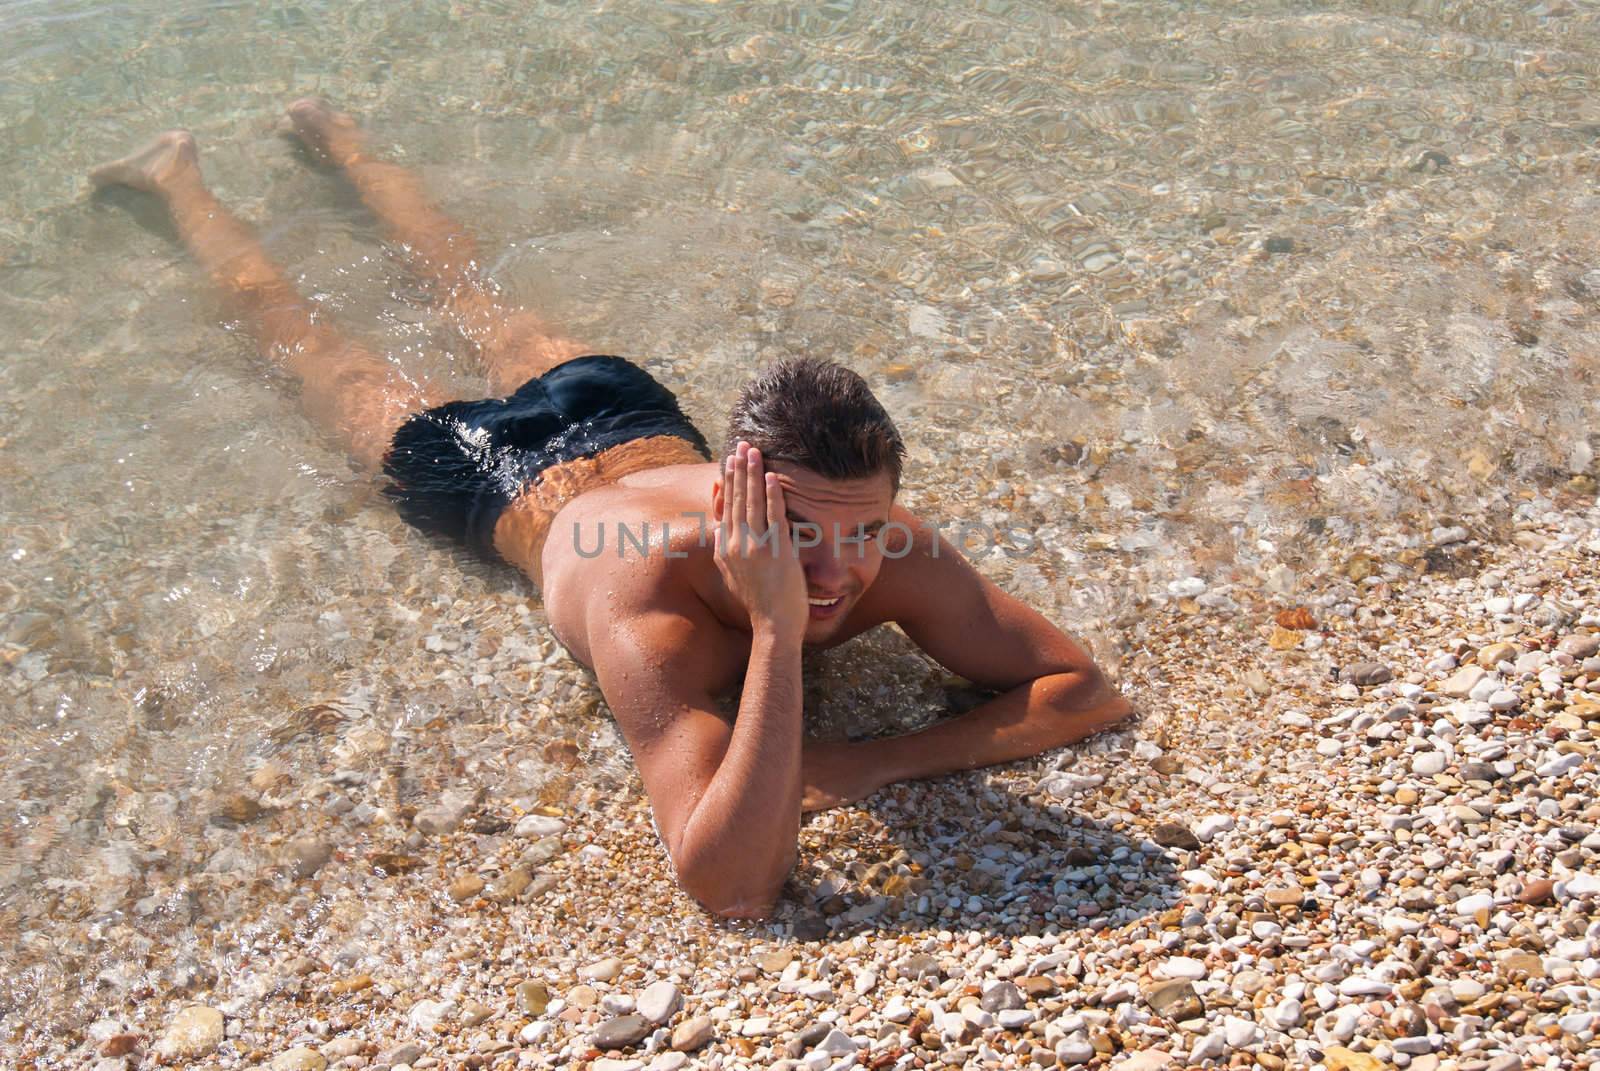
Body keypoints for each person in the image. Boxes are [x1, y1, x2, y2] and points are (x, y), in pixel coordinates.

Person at [92, 102, 1133, 918]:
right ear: (737, 496)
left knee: (466, 282)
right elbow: (728, 886)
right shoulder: (650, 613)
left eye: (861, 532)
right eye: (798, 533)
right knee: (300, 337)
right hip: (486, 473)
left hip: (620, 411)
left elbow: (1086, 691)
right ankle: (175, 178)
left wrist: (868, 760)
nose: (837, 571)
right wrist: (774, 628)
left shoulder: (878, 545)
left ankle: (339, 142)